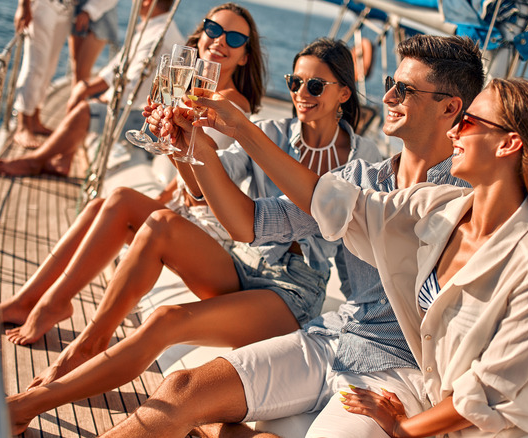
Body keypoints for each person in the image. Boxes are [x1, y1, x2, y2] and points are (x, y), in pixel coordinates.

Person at [0, 37, 380, 437]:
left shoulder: (364, 162)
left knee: (166, 320)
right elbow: (201, 193)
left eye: (314, 86)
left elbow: (328, 223)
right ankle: (89, 342)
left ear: (343, 92)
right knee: (161, 223)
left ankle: (19, 407)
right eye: (295, 82)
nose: (301, 95)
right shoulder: (272, 132)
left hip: (293, 294)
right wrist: (182, 144)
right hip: (245, 261)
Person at [93, 34, 486, 438]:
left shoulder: (466, 202)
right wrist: (194, 146)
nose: (387, 98)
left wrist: (243, 129)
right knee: (183, 388)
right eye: (390, 84)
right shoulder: (362, 178)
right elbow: (249, 224)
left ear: (450, 107)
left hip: (394, 371)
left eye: (404, 90)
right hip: (335, 335)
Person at [0, 2, 265, 344]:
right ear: (200, 37)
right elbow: (184, 180)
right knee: (98, 207)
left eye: (235, 37)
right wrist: (167, 167)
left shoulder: (230, 108)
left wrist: (176, 147)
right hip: (188, 212)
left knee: (120, 200)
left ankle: (52, 305)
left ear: (244, 56)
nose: (220, 40)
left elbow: (204, 188)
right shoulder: (194, 94)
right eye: (213, 30)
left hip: (212, 231)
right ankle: (26, 299)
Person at [315, 78, 528, 436]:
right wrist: (243, 130)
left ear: (509, 143)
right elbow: (341, 204)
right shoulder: (447, 209)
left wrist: (403, 428)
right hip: (440, 410)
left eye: (468, 122)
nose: (452, 132)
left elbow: (489, 392)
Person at [0, 0, 184, 176]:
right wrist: (85, 87)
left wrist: (98, 96)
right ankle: (64, 159)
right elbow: (119, 66)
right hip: (138, 101)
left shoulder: (157, 36)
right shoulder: (156, 27)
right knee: (80, 90)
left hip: (142, 114)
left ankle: (35, 161)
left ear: (147, 2)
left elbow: (133, 88)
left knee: (84, 110)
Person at [12, 0, 74, 149]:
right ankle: (22, 126)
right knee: (36, 66)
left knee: (50, 66)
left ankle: (35, 120)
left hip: (67, 8)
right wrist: (23, 6)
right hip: (44, 6)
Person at [69, 0, 120, 84]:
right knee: (76, 68)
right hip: (78, 8)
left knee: (82, 70)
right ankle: (75, 96)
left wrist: (88, 11)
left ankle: (79, 96)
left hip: (101, 12)